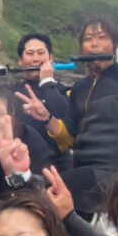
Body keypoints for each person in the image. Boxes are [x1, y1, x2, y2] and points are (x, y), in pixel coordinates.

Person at [18, 18, 118, 217]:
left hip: (112, 177)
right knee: (34, 191)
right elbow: (67, 138)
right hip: (81, 177)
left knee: (38, 194)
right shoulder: (79, 88)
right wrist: (46, 118)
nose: (94, 44)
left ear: (116, 46)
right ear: (82, 47)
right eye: (88, 39)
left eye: (101, 38)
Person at [11, 32, 71, 168]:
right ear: (20, 60)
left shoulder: (62, 91)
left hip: (58, 166)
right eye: (30, 53)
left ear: (50, 58)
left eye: (41, 53)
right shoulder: (12, 91)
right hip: (22, 164)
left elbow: (66, 118)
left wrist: (47, 82)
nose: (36, 59)